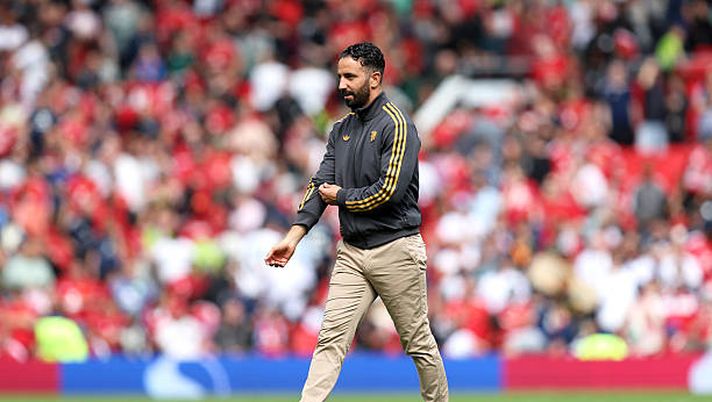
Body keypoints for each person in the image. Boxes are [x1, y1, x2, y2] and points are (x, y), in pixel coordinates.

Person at [265, 42, 449, 402]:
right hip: (352, 251)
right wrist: (293, 235)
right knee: (330, 337)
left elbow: (389, 192)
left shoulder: (398, 125)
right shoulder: (340, 130)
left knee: (418, 342)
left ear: (375, 78)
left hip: (396, 248)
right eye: (339, 77)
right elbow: (320, 184)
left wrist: (341, 197)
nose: (342, 85)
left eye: (350, 76)